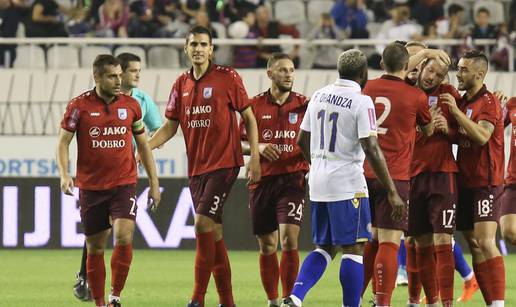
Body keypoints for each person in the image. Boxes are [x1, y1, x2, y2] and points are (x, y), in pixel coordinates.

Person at [148, 25, 261, 307]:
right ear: (185, 49)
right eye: (193, 44)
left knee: (200, 224)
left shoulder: (227, 78)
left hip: (224, 164)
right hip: (196, 168)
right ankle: (228, 302)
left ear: (212, 49)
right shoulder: (181, 84)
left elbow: (248, 117)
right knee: (215, 234)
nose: (198, 49)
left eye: (203, 44)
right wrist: (143, 148)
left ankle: (197, 299)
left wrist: (255, 156)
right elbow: (170, 126)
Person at [281, 49, 405, 307]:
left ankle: (295, 297)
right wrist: (392, 191)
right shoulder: (361, 101)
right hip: (348, 184)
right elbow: (371, 147)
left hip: (318, 181)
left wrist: (319, 166)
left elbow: (302, 140)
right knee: (355, 249)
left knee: (325, 246)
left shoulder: (318, 95)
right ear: (363, 73)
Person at [57, 54, 161, 307]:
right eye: (112, 76)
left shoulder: (131, 105)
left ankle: (115, 296)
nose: (118, 80)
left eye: (119, 75)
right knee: (95, 247)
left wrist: (154, 182)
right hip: (92, 187)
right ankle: (101, 302)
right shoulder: (78, 106)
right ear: (97, 77)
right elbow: (63, 142)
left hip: (124, 183)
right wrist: (64, 173)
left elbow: (144, 146)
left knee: (124, 235)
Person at [361, 42, 434, 307]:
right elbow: (427, 131)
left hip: (363, 174)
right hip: (396, 177)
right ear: (407, 67)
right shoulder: (416, 97)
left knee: (370, 241)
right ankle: (383, 302)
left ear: (381, 64)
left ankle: (356, 298)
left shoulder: (366, 89)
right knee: (391, 243)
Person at [240, 53, 308, 307]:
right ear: (270, 74)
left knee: (290, 238)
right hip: (262, 181)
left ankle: (290, 299)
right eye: (283, 70)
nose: (289, 74)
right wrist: (259, 147)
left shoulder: (305, 105)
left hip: (293, 179)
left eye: (291, 70)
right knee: (267, 244)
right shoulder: (254, 106)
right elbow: (238, 143)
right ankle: (273, 301)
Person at [439, 50, 505, 306]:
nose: (459, 73)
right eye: (459, 68)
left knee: (486, 241)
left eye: (464, 69)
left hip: (486, 183)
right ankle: (490, 301)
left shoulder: (489, 102)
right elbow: (464, 138)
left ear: (480, 73)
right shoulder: (465, 102)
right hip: (464, 183)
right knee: (474, 244)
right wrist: (449, 132)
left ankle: (498, 303)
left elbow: (481, 137)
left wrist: (455, 115)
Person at [409, 58, 460, 307]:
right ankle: (430, 301)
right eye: (430, 70)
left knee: (443, 240)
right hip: (411, 176)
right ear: (420, 69)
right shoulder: (406, 93)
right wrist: (425, 127)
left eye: (439, 74)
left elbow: (462, 131)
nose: (433, 77)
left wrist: (448, 128)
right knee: (421, 242)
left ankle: (447, 303)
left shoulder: (449, 94)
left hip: (443, 174)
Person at [501, 97, 516, 246]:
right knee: (509, 232)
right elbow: (495, 126)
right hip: (513, 179)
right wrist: (497, 107)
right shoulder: (512, 104)